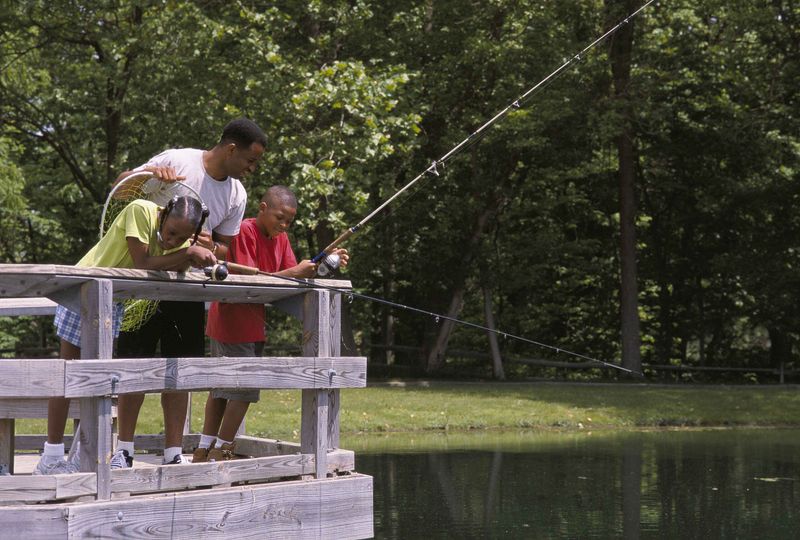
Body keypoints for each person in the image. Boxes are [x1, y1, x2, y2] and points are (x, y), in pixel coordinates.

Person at [111, 118, 268, 468]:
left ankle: (172, 452)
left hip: (188, 290)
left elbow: (226, 250)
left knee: (179, 372)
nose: (252, 169)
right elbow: (120, 190)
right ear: (231, 149)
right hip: (144, 285)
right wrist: (150, 175)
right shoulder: (180, 161)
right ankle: (123, 450)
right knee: (135, 368)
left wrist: (213, 246)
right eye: (250, 160)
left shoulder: (237, 194)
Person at [34, 196, 215, 475]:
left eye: (181, 237)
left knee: (98, 380)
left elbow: (172, 264)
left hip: (112, 299)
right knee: (68, 376)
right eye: (170, 232)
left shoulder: (180, 242)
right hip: (84, 289)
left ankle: (82, 456)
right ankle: (51, 456)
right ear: (164, 214)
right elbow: (144, 261)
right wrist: (189, 253)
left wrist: (195, 252)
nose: (171, 240)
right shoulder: (140, 210)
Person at [193, 186, 349, 462]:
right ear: (262, 208)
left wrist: (324, 264)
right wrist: (295, 271)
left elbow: (291, 280)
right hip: (231, 321)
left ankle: (205, 450)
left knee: (224, 389)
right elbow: (251, 281)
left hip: (252, 325)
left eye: (289, 221)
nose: (284, 225)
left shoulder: (282, 239)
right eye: (280, 217)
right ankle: (221, 449)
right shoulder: (244, 231)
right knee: (240, 391)